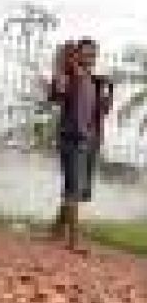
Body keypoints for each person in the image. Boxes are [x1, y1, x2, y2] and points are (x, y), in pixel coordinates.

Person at [48, 37, 114, 251]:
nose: (90, 58)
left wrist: (108, 91)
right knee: (73, 188)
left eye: (93, 54)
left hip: (89, 139)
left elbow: (103, 111)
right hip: (72, 138)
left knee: (79, 187)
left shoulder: (95, 82)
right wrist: (61, 63)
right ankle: (73, 241)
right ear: (77, 54)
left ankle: (56, 231)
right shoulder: (69, 76)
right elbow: (56, 95)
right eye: (85, 53)